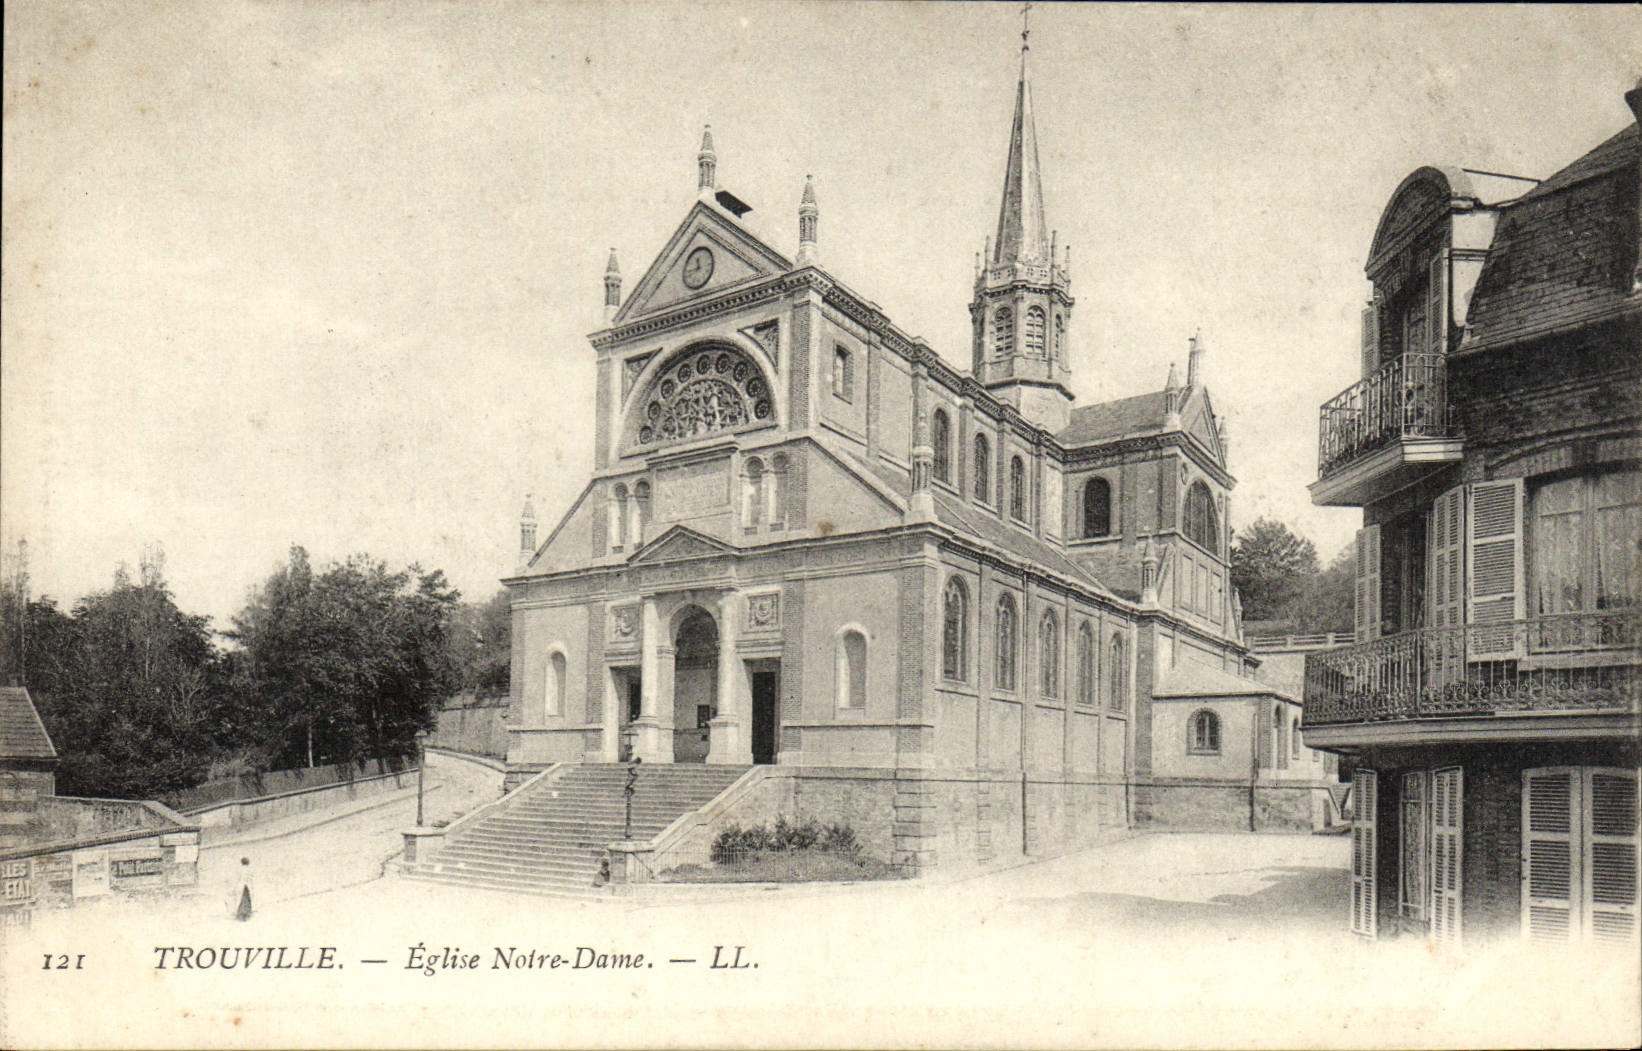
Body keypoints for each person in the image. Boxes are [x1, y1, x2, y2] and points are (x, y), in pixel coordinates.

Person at [232, 856, 253, 921]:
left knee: (240, 899)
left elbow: (237, 878)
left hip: (241, 885)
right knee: (246, 899)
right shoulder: (249, 870)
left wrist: (235, 887)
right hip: (247, 886)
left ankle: (241, 913)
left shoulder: (239, 870)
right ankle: (246, 913)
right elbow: (250, 879)